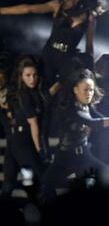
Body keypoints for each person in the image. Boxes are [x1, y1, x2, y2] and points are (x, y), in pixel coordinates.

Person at [0, 0, 107, 87]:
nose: (63, 1)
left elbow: (89, 46)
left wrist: (90, 70)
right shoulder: (57, 6)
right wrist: (1, 11)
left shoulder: (90, 17)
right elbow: (28, 8)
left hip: (67, 60)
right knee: (44, 89)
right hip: (49, 56)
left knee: (65, 93)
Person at [41, 69, 109, 191]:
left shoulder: (87, 105)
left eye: (91, 89)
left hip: (84, 155)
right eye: (85, 90)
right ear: (75, 90)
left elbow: (101, 119)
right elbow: (93, 122)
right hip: (66, 156)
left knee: (108, 179)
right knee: (45, 187)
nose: (89, 93)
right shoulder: (70, 109)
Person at [1, 57, 58, 196]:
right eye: (28, 75)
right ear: (21, 76)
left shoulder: (35, 93)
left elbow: (48, 95)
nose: (32, 79)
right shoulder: (23, 94)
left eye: (34, 75)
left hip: (17, 140)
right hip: (21, 141)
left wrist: (60, 82)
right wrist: (40, 149)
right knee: (41, 177)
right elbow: (33, 124)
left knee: (9, 181)